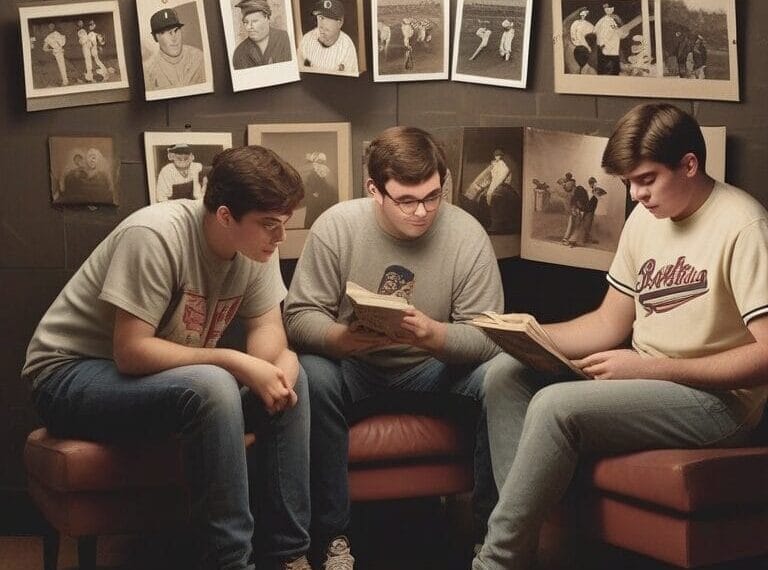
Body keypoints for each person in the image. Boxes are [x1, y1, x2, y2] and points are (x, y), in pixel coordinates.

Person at [472, 102, 768, 570]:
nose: (635, 194)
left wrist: (650, 368)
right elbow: (608, 324)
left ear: (689, 164)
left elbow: (766, 356)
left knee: (556, 406)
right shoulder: (644, 218)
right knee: (504, 375)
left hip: (719, 402)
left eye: (646, 179)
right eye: (629, 182)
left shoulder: (744, 225)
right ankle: (529, 548)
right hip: (647, 381)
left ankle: (496, 561)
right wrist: (524, 335)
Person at [24, 145, 314, 570]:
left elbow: (267, 331)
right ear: (225, 216)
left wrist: (277, 365)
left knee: (295, 378)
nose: (280, 237)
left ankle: (291, 556)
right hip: (68, 375)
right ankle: (230, 563)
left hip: (154, 383)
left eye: (284, 224)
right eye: (270, 225)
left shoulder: (258, 247)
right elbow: (131, 351)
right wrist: (235, 362)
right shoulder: (156, 234)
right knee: (214, 384)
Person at [284, 126, 504, 568]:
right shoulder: (337, 226)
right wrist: (341, 339)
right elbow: (298, 316)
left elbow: (487, 336)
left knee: (502, 377)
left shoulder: (467, 233)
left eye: (433, 196)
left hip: (433, 367)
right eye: (406, 200)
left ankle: (491, 542)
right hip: (354, 365)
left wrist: (433, 335)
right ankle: (333, 539)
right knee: (311, 373)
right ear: (375, 190)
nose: (422, 211)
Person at [145, 8, 205, 90]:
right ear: (155, 38)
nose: (174, 38)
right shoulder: (148, 70)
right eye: (165, 32)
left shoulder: (198, 57)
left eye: (176, 30)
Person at [298, 0, 359, 76]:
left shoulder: (347, 45)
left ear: (340, 22)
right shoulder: (307, 39)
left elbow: (351, 81)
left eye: (328, 18)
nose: (322, 24)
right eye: (320, 17)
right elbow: (297, 72)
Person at [232, 0, 292, 69]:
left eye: (254, 21)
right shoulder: (240, 53)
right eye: (246, 22)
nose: (249, 27)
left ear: (266, 17)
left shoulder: (285, 38)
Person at [301, 151, 336, 228]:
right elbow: (308, 185)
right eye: (319, 161)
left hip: (323, 198)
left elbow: (326, 184)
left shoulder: (324, 171)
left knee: (322, 216)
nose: (321, 163)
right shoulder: (312, 172)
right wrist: (314, 193)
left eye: (322, 161)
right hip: (314, 199)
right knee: (312, 215)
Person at [594, 3, 623, 75]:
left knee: (614, 68)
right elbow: (595, 31)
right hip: (605, 47)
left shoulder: (614, 20)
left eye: (611, 8)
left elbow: (619, 32)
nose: (609, 10)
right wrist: (602, 43)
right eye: (607, 8)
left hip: (614, 48)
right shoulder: (602, 20)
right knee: (605, 68)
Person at [581, 176, 607, 244]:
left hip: (590, 209)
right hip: (588, 209)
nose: (593, 184)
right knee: (587, 224)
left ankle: (586, 238)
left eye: (594, 183)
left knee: (588, 224)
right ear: (590, 184)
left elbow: (600, 199)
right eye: (592, 183)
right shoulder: (590, 191)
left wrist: (597, 195)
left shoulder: (595, 191)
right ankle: (585, 238)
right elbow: (589, 199)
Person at [42, 23, 68, 87]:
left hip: (58, 52)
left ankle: (65, 81)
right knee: (57, 67)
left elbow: (63, 43)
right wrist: (51, 50)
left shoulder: (56, 34)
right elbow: (44, 48)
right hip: (55, 53)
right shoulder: (49, 36)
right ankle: (61, 81)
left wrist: (53, 49)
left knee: (62, 66)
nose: (51, 27)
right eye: (50, 26)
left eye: (52, 26)